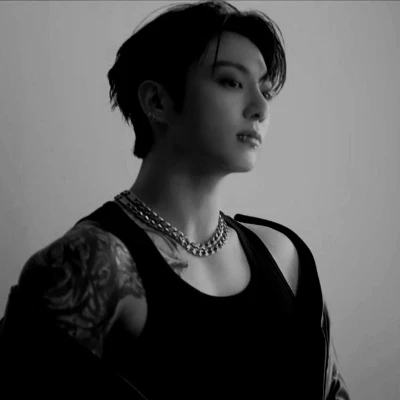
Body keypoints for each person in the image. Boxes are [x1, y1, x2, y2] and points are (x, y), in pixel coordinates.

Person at [0, 1, 351, 399]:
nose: (260, 108)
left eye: (266, 90)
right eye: (232, 82)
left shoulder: (284, 256)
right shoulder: (93, 262)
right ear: (157, 101)